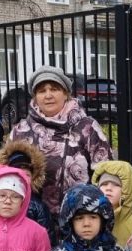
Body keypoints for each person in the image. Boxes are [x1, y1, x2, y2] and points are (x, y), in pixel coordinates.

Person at [7, 65, 112, 218]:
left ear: (66, 94)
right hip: (32, 221)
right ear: (35, 96)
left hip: (80, 220)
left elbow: (104, 172)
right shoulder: (20, 131)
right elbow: (7, 177)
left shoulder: (87, 127)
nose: (48, 95)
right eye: (42, 91)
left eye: (54, 89)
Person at [0, 139, 55, 241]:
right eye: (17, 174)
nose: (22, 179)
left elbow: (47, 237)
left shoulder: (37, 206)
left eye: (26, 175)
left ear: (33, 177)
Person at [92, 160, 132, 247]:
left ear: (126, 190)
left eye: (116, 185)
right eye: (104, 184)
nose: (109, 188)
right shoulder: (91, 218)